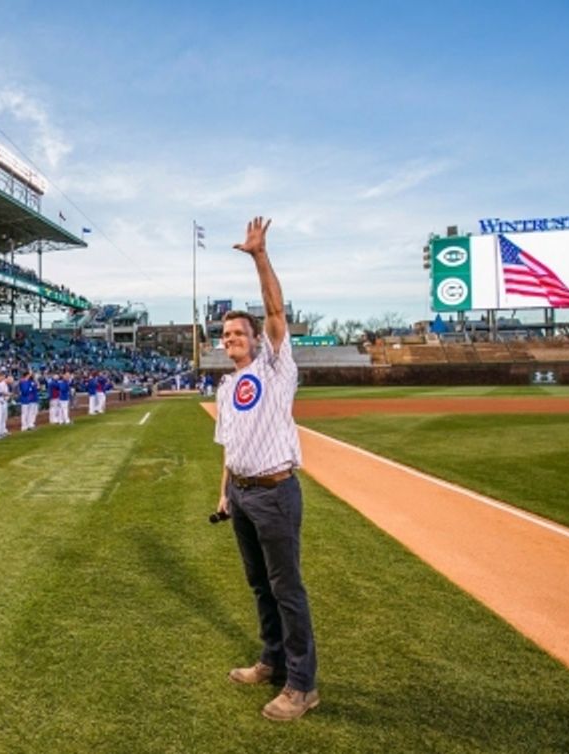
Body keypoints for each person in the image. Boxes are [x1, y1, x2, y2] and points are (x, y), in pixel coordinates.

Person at [215, 216, 318, 722]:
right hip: (242, 493)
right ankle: (272, 663)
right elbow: (229, 446)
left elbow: (275, 308)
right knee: (260, 587)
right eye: (226, 333)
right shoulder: (224, 387)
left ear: (256, 338)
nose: (232, 337)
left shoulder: (275, 366)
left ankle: (303, 685)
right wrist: (224, 492)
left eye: (239, 331)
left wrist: (259, 255)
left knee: (287, 589)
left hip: (276, 492)